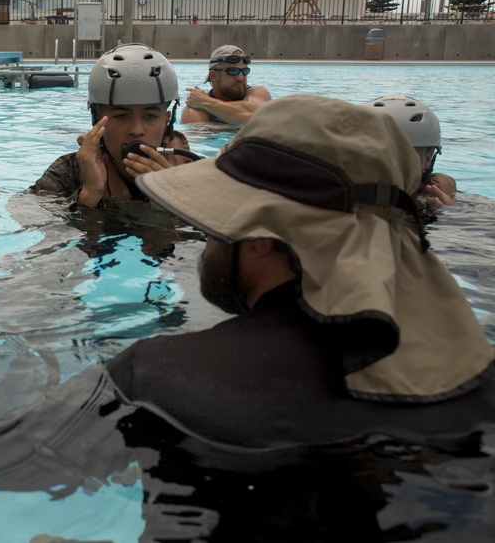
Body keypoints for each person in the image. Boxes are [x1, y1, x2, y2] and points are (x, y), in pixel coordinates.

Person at [108, 94, 494, 450]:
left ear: (260, 235)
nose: (209, 238)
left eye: (216, 219)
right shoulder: (480, 381)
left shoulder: (154, 377)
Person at [30, 43, 192, 209]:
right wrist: (89, 196)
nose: (137, 131)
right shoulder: (70, 172)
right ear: (97, 119)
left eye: (150, 116)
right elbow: (31, 222)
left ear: (167, 120)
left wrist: (170, 210)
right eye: (121, 116)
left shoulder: (192, 174)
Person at [367, 94, 456, 206]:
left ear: (427, 159)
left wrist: (451, 217)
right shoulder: (342, 195)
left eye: (400, 157)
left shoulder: (438, 198)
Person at [180, 44, 272, 125]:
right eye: (233, 71)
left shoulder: (258, 93)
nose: (241, 77)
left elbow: (258, 116)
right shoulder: (196, 112)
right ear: (214, 76)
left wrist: (205, 101)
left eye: (244, 71)